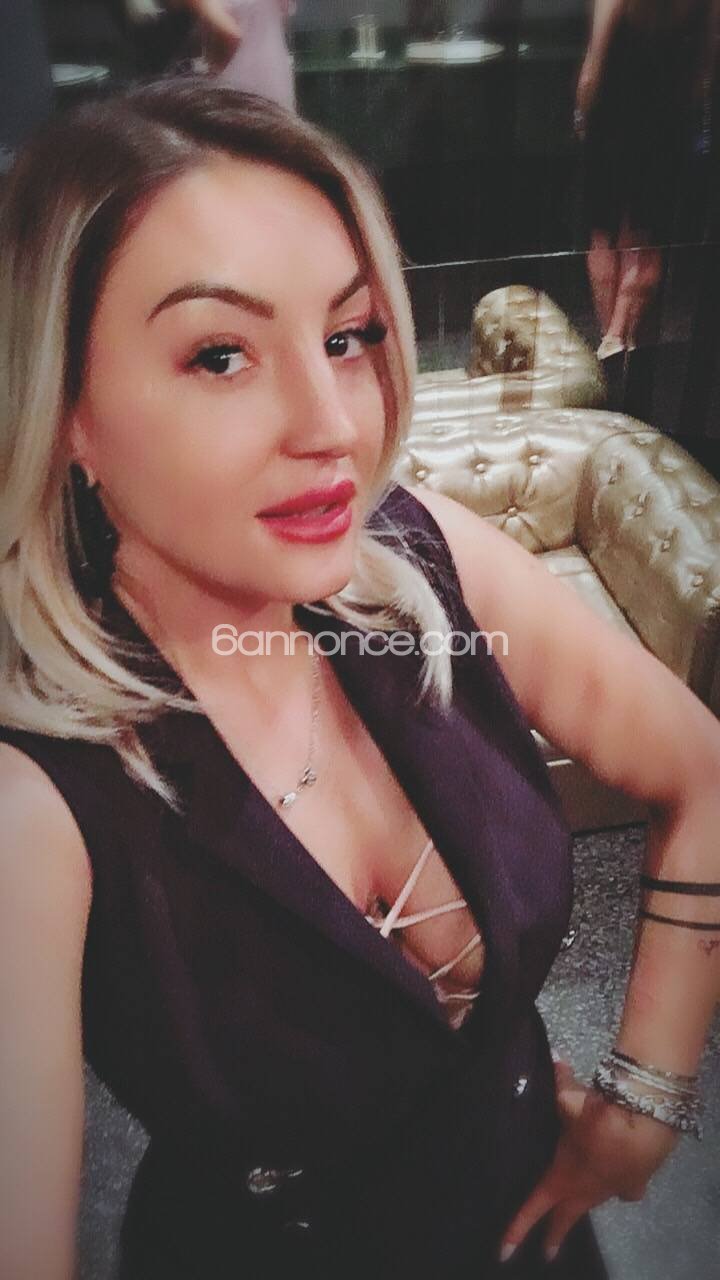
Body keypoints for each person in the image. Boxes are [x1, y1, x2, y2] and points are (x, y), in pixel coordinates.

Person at [1, 77, 719, 1280]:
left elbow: (701, 767)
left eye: (347, 337)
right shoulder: (37, 797)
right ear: (65, 406)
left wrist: (643, 1103)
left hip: (539, 1229)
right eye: (221, 354)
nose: (331, 421)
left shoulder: (418, 560)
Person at [576, 0, 718, 358]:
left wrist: (582, 120)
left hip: (612, 118)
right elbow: (704, 68)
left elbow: (593, 68)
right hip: (667, 121)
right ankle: (622, 336)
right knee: (644, 240)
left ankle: (611, 340)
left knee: (603, 236)